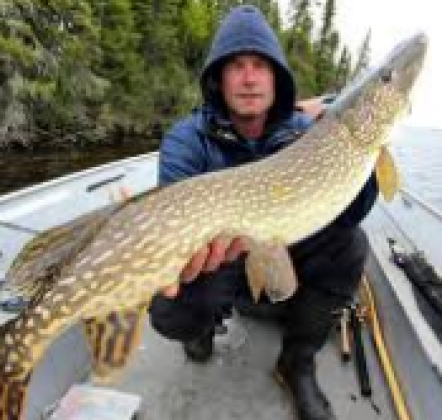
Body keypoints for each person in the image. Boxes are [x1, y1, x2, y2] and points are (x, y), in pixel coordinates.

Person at [149, 5, 378, 420]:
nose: (249, 77)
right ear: (218, 79)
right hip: (220, 259)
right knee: (172, 308)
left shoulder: (308, 132)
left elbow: (349, 213)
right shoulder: (187, 139)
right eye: (236, 66)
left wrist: (366, 151)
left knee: (350, 245)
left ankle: (297, 361)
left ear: (277, 78)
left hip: (282, 246)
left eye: (260, 65)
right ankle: (200, 330)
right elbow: (171, 220)